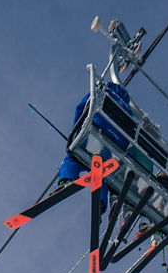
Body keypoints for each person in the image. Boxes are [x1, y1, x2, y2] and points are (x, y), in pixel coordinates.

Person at [55, 82, 132, 210]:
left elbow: (82, 109)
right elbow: (129, 134)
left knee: (73, 156)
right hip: (114, 147)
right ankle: (101, 200)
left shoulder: (100, 93)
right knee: (103, 172)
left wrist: (77, 134)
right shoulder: (129, 112)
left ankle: (66, 179)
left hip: (93, 134)